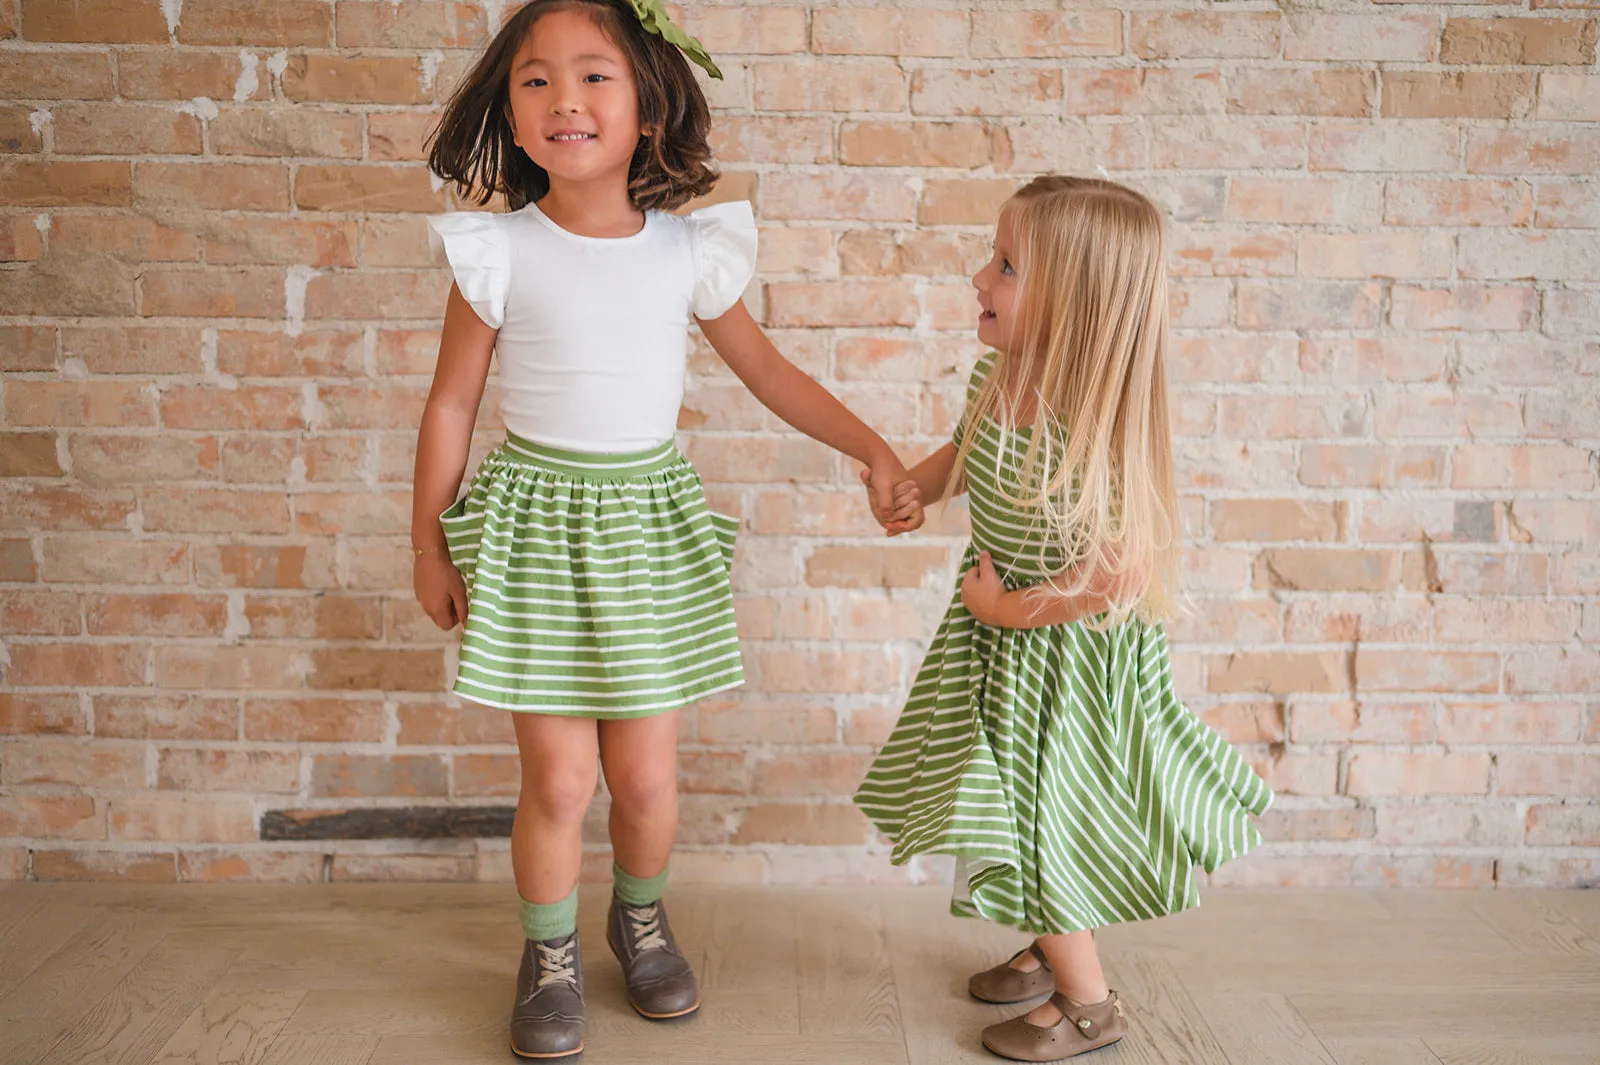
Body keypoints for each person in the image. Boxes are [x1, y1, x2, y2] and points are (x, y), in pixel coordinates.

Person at [412, 2, 918, 1057]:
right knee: (557, 779)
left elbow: (770, 373)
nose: (564, 99)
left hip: (643, 534)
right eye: (536, 81)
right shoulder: (496, 251)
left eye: (594, 76)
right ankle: (547, 953)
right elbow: (451, 404)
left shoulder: (689, 250)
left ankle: (636, 917)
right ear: (509, 117)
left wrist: (871, 447)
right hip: (534, 534)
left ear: (647, 107)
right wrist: (427, 540)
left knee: (642, 778)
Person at [854, 176, 1275, 1062]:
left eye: (1005, 266)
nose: (979, 277)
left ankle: (1091, 1005)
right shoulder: (998, 377)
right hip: (1003, 649)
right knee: (1002, 802)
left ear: (1077, 305)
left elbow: (1116, 580)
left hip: (1070, 663)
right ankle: (1047, 947)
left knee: (1045, 817)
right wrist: (916, 490)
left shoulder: (1096, 431)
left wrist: (1003, 606)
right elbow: (964, 455)